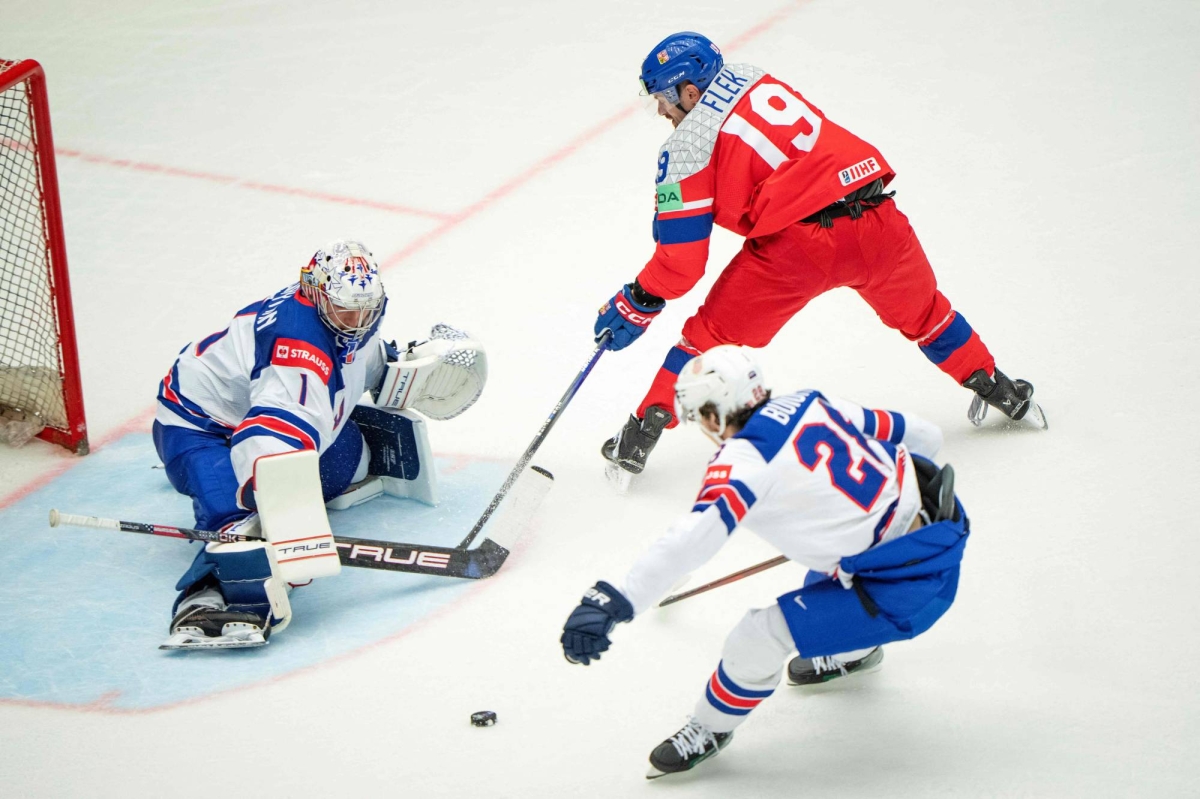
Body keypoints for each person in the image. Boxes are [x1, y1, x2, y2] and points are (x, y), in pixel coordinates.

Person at [595, 31, 1044, 482]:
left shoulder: (684, 152)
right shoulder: (755, 79)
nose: (660, 110)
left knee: (707, 338)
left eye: (664, 99)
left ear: (690, 92)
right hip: (878, 220)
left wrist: (637, 299)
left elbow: (681, 266)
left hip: (799, 249)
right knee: (928, 314)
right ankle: (997, 387)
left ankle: (640, 434)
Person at [560, 346, 969, 778]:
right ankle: (854, 650)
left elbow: (688, 544)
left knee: (757, 637)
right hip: (938, 538)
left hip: (902, 592)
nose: (701, 426)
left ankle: (710, 728)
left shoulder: (742, 466)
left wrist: (615, 602)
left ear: (716, 414)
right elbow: (923, 437)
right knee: (821, 579)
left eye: (699, 415)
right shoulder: (809, 402)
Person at [153, 239, 486, 650]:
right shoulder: (298, 347)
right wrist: (287, 521)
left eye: (367, 309)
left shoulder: (347, 308)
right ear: (313, 292)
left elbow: (357, 353)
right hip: (197, 426)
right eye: (347, 311)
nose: (357, 321)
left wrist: (398, 368)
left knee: (349, 462)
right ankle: (205, 594)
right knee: (239, 523)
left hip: (260, 403)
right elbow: (271, 435)